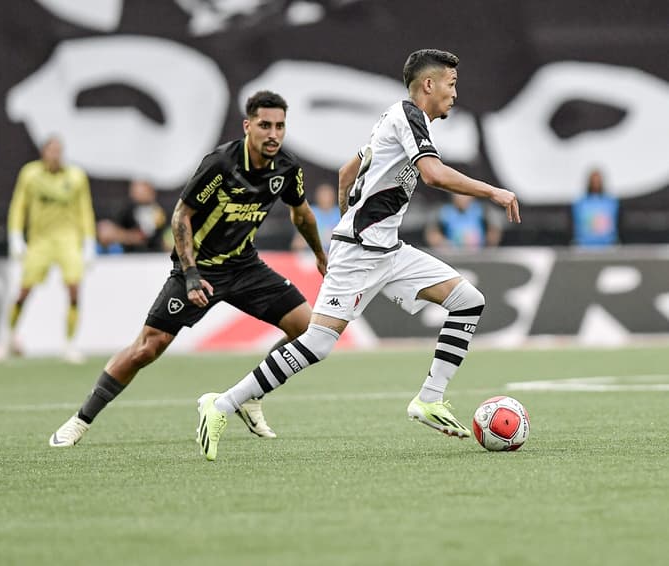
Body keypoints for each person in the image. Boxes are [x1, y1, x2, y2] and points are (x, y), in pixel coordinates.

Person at [196, 49, 521, 461]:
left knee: (468, 301)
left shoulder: (394, 118)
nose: (455, 94)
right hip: (360, 253)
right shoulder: (407, 116)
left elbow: (348, 170)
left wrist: (356, 210)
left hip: (388, 249)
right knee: (317, 344)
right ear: (428, 85)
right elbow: (433, 174)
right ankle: (221, 403)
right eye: (451, 84)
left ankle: (429, 399)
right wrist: (493, 191)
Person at [49, 90, 328, 447]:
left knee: (308, 330)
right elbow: (182, 214)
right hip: (200, 269)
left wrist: (320, 254)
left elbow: (301, 212)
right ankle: (80, 421)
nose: (273, 134)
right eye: (264, 125)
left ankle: (252, 395)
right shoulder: (221, 164)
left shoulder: (287, 168)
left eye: (280, 126)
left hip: (245, 266)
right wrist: (191, 274)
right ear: (248, 126)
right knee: (146, 349)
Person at [0, 135, 97, 364]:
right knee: (24, 291)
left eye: (59, 150)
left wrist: (90, 242)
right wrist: (15, 236)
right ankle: (8, 339)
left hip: (68, 240)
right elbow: (18, 206)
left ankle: (70, 344)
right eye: (51, 150)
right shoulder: (30, 175)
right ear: (43, 152)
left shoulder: (76, 177)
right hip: (40, 241)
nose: (55, 154)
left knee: (73, 289)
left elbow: (85, 211)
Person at [97, 179, 169, 253]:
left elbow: (142, 238)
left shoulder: (158, 212)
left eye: (141, 187)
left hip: (149, 256)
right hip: (125, 257)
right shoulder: (129, 208)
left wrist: (117, 234)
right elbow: (108, 230)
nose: (135, 191)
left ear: (151, 191)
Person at [424, 193, 504, 250]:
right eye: (458, 194)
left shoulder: (482, 210)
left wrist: (488, 247)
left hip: (479, 253)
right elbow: (432, 233)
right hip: (453, 254)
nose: (461, 198)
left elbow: (494, 231)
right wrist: (443, 244)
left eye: (464, 194)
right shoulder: (444, 211)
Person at [571, 168, 619, 247]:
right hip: (584, 247)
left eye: (598, 181)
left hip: (607, 247)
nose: (595, 183)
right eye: (593, 181)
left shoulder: (611, 203)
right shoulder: (580, 204)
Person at [291, 182, 341, 252]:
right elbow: (297, 243)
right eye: (323, 195)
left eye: (328, 195)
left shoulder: (341, 214)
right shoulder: (308, 213)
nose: (325, 199)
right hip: (311, 256)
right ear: (317, 197)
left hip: (335, 255)